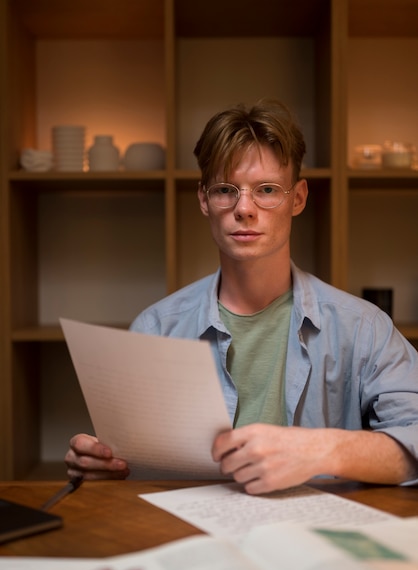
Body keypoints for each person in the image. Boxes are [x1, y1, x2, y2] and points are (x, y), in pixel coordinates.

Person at [65, 99, 418, 494]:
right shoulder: (156, 327)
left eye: (267, 189)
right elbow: (133, 467)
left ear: (297, 198)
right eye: (225, 190)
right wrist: (106, 467)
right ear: (204, 200)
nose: (244, 208)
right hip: (193, 543)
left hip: (316, 542)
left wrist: (321, 449)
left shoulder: (364, 328)